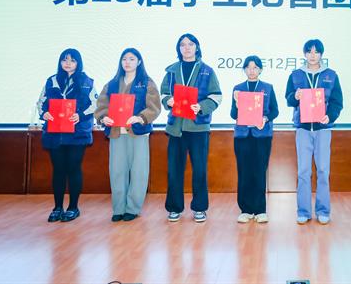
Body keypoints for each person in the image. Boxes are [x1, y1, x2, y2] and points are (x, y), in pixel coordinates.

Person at [160, 33, 222, 223]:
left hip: (198, 128)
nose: (186, 48)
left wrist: (201, 106)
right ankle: (174, 208)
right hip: (176, 128)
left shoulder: (207, 71)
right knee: (174, 170)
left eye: (190, 44)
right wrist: (168, 100)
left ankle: (199, 208)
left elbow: (216, 95)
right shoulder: (172, 71)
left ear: (197, 47)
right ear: (178, 49)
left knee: (200, 170)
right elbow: (163, 92)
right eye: (182, 45)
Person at [95, 48, 161, 222]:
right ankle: (118, 208)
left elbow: (154, 107)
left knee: (139, 171)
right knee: (117, 171)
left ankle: (133, 208)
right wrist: (103, 117)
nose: (127, 62)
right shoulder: (111, 84)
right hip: (116, 132)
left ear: (139, 62)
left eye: (132, 59)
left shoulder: (147, 83)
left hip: (137, 133)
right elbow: (101, 106)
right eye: (124, 59)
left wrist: (140, 118)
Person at [285, 39, 343, 224]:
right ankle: (303, 211)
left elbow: (337, 102)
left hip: (323, 129)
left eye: (316, 52)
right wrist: (295, 96)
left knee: (323, 170)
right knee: (303, 171)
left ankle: (323, 210)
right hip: (303, 129)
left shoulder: (331, 75)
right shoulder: (296, 75)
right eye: (309, 51)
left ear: (321, 54)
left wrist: (330, 116)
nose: (312, 55)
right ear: (304, 54)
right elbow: (288, 99)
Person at [37, 48, 98, 222]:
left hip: (77, 133)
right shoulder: (51, 81)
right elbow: (41, 102)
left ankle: (73, 208)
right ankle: (57, 208)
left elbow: (95, 103)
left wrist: (81, 114)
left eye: (72, 60)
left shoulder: (87, 81)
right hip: (55, 133)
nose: (68, 63)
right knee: (58, 170)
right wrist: (44, 113)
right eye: (65, 60)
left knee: (73, 168)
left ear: (78, 63)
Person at [230, 56, 279, 223]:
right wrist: (237, 104)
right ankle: (245, 209)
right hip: (242, 136)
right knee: (244, 172)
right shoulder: (238, 89)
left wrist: (265, 118)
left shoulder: (268, 88)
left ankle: (260, 210)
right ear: (244, 69)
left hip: (262, 136)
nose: (251, 71)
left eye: (255, 67)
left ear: (260, 70)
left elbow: (275, 111)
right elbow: (233, 114)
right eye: (248, 67)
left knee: (259, 171)